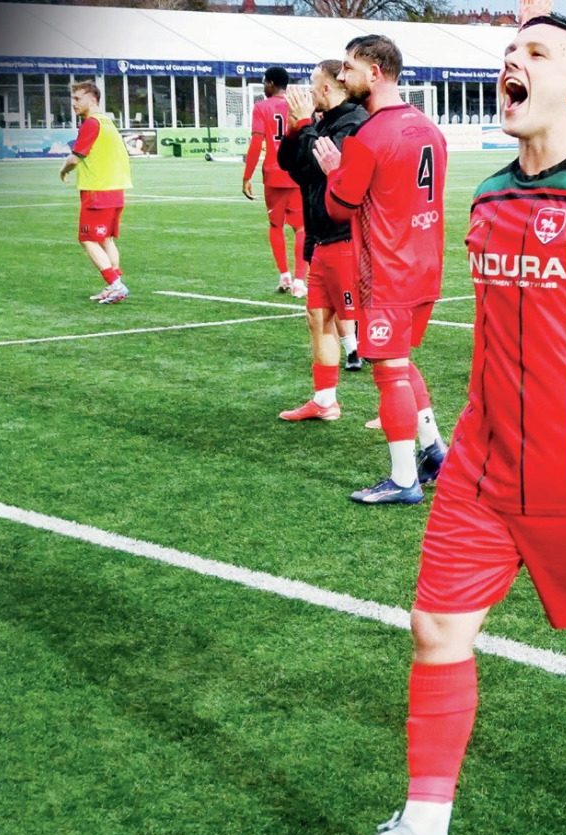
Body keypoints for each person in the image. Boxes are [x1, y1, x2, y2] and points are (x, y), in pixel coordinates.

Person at [309, 16, 566, 835]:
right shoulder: (486, 196)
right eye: (508, 52)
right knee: (436, 629)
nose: (511, 61)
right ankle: (422, 831)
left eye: (537, 52)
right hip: (483, 470)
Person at [314, 35, 449, 504]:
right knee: (402, 361)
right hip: (426, 262)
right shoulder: (428, 127)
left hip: (388, 268)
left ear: (374, 72)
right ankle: (435, 452)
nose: (343, 75)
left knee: (389, 370)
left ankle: (404, 479)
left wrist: (334, 170)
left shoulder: (368, 136)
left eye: (349, 67)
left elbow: (338, 208)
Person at [275, 60, 370, 422]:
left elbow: (325, 168)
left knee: (365, 325)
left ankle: (397, 400)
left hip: (346, 238)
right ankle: (325, 400)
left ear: (327, 89)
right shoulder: (322, 122)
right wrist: (297, 128)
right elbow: (293, 166)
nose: (306, 91)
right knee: (318, 318)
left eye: (313, 84)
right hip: (322, 238)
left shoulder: (354, 123)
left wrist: (304, 126)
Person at [59, 81, 132, 305]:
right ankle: (113, 286)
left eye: (77, 99)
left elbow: (75, 157)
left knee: (87, 238)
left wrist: (63, 170)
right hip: (116, 191)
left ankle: (116, 284)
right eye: (72, 99)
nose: (73, 104)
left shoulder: (91, 123)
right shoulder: (108, 122)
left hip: (97, 193)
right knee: (106, 240)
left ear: (92, 99)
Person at [243, 66, 309, 298]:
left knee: (276, 225)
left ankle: (284, 276)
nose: (263, 85)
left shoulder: (262, 107)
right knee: (301, 228)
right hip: (298, 173)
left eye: (264, 81)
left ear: (271, 83)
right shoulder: (298, 104)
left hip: (273, 173)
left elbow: (255, 142)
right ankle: (300, 281)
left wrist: (247, 176)